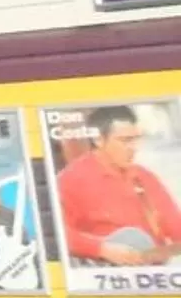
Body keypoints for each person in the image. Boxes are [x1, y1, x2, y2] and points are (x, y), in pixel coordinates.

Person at [56, 107, 181, 267]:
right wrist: (101, 249)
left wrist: (160, 253)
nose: (134, 147)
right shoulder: (71, 180)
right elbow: (57, 234)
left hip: (153, 275)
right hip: (104, 278)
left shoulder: (144, 177)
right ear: (99, 140)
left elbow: (176, 227)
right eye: (125, 140)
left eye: (136, 139)